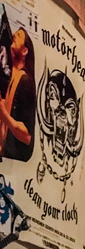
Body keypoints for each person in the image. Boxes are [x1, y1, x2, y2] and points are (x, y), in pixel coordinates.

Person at [0, 28, 35, 162]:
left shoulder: (25, 82)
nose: (14, 35)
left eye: (19, 35)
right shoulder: (9, 76)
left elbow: (27, 137)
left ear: (25, 51)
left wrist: (4, 115)